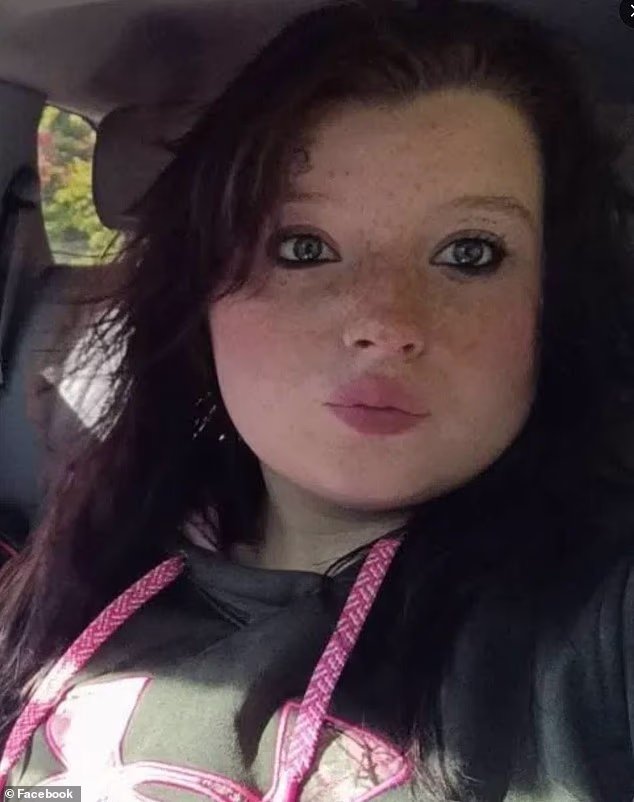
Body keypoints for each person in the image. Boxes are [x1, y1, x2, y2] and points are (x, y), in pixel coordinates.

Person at [1, 0, 634, 799]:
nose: (384, 324)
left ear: (554, 308)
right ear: (203, 296)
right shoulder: (74, 563)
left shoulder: (591, 629)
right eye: (304, 247)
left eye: (471, 253)